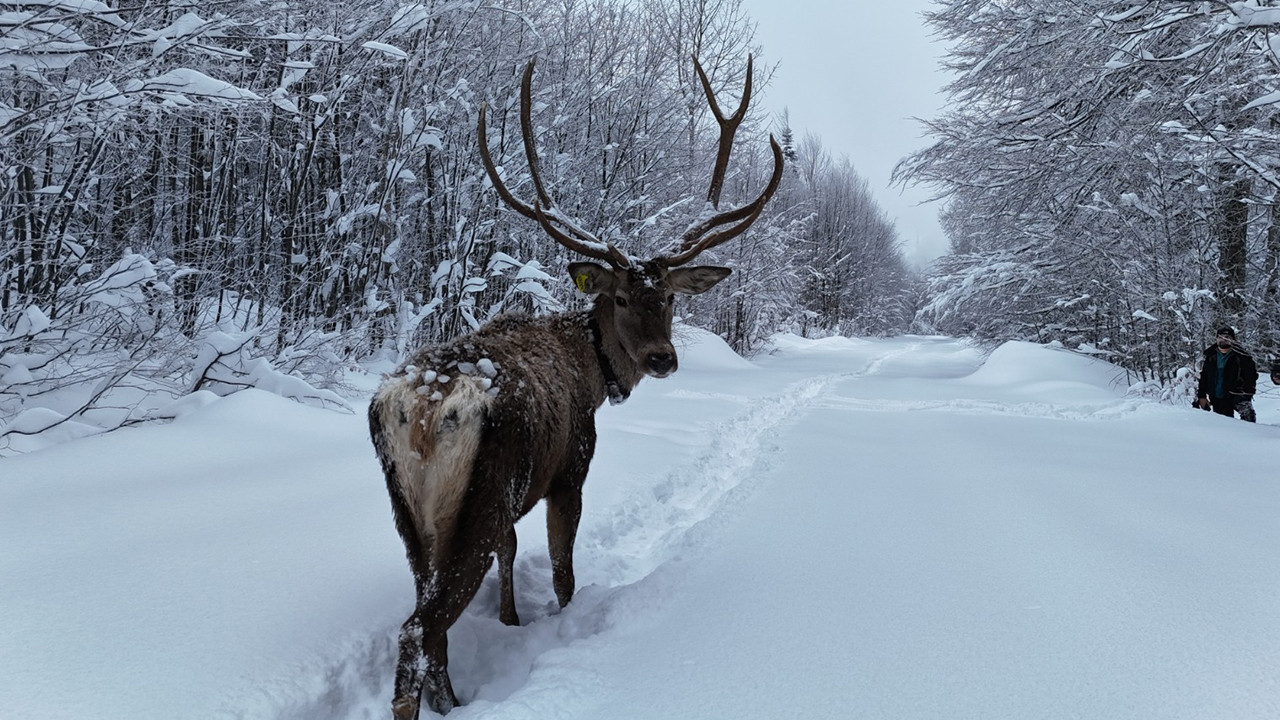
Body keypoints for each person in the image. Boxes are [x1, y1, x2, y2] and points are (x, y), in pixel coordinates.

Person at [1195, 326, 1257, 422]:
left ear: (1232, 340)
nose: (1223, 340)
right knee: (1223, 425)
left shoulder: (1242, 356)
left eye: (1227, 337)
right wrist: (1201, 396)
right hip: (1218, 398)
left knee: (1249, 421)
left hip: (1237, 396)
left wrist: (1245, 395)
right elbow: (1204, 376)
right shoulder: (1211, 356)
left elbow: (1251, 377)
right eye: (1220, 337)